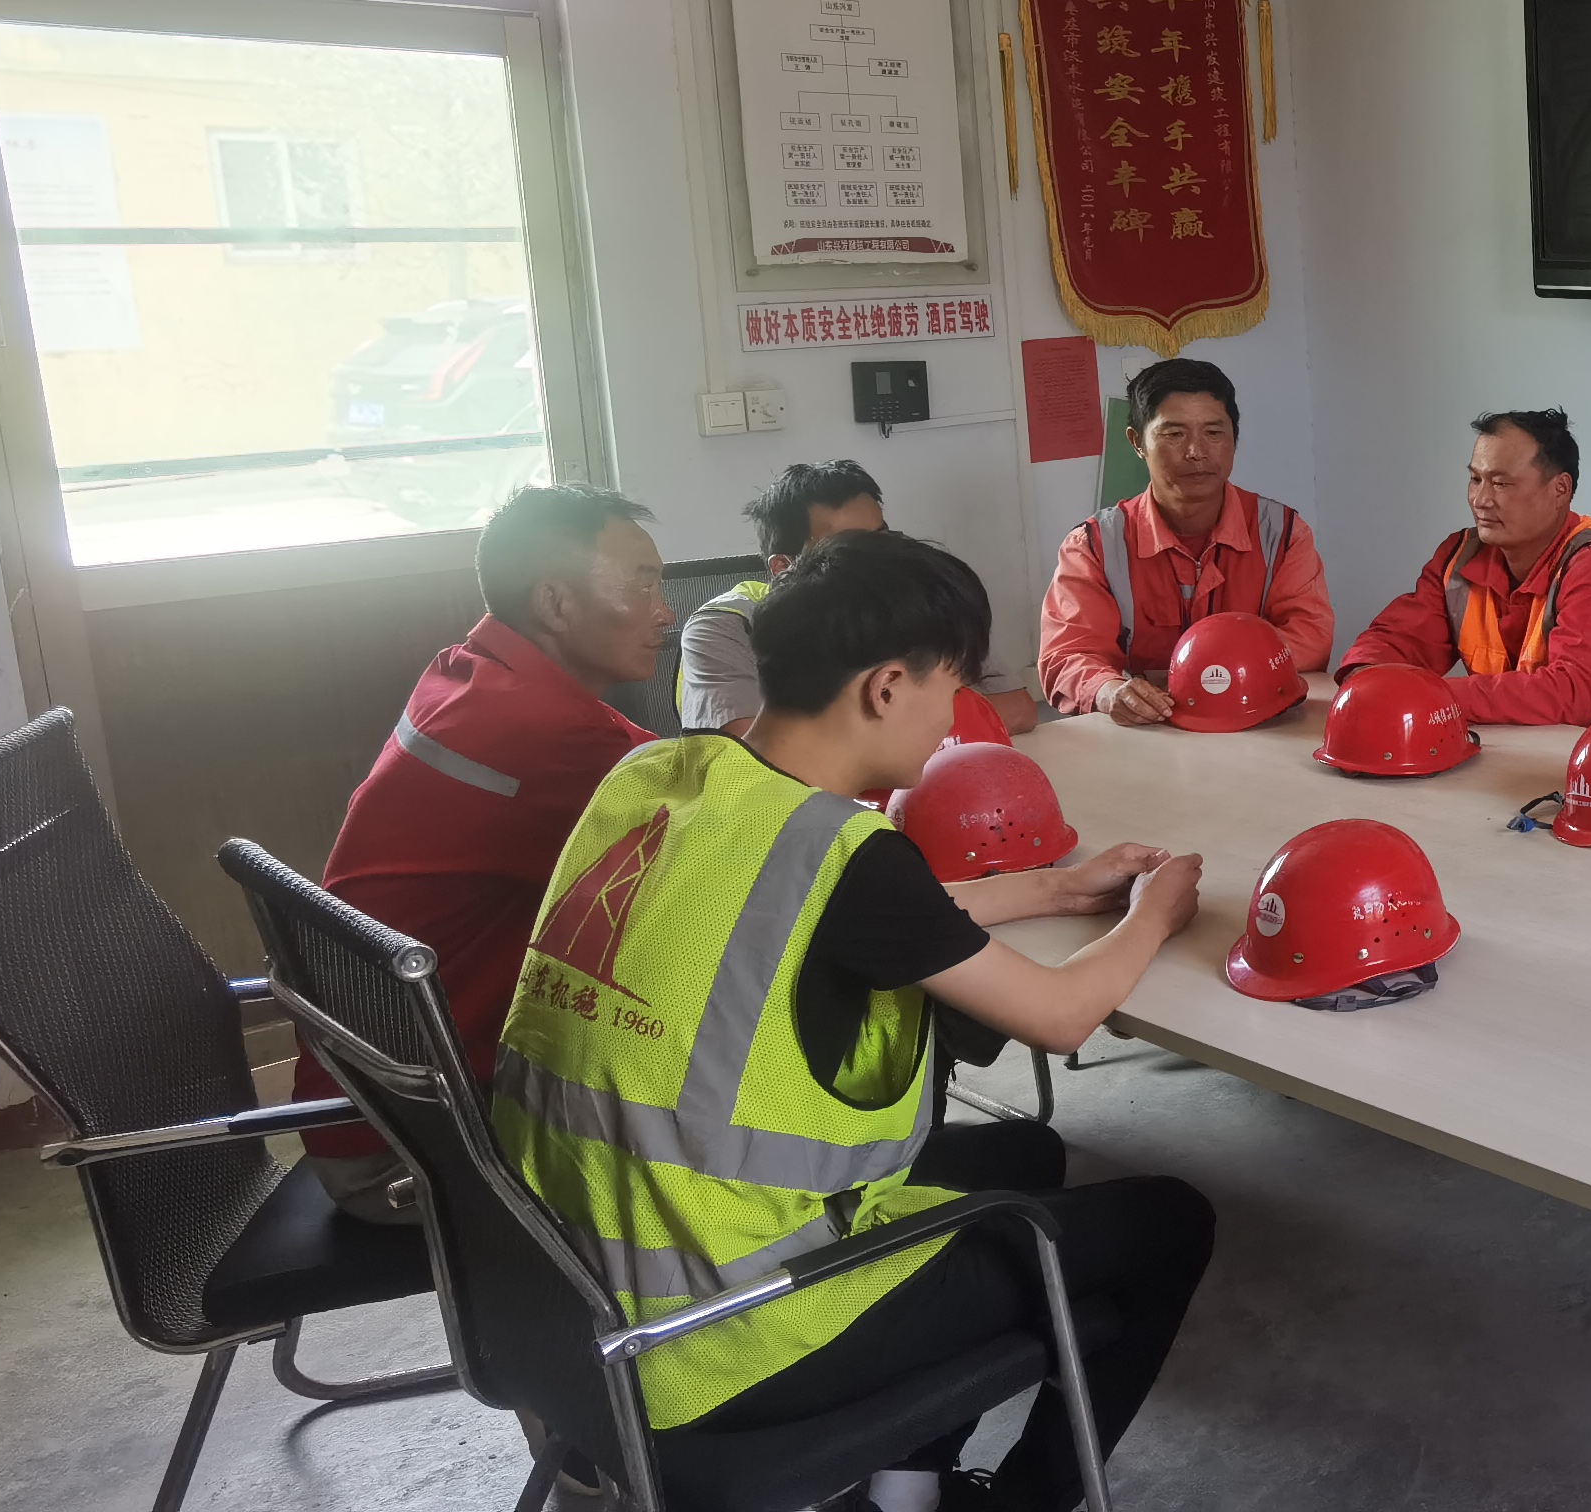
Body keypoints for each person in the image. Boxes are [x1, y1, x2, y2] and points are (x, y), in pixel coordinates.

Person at [490, 529, 1207, 1512]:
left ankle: (904, 1493)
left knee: (1028, 1156)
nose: (954, 716)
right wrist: (1154, 915)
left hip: (564, 1289)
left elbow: (822, 909)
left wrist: (1054, 887)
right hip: (720, 1334)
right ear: (886, 687)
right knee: (1174, 1219)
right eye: (951, 686)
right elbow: (1062, 1014)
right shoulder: (847, 851)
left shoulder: (657, 778)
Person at [291, 484, 672, 1222]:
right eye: (643, 584)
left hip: (378, 1096)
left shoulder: (469, 672)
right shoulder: (544, 734)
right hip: (419, 1148)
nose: (664, 611)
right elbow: (737, 844)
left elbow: (649, 759)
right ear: (555, 602)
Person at [1041, 359, 1335, 726]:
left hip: (1258, 719)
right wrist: (1109, 691)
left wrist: (1205, 677)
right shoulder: (1095, 546)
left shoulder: (1282, 533)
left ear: (1234, 438)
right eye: (1174, 434)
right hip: (1147, 727)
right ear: (1137, 442)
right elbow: (1067, 655)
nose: (1196, 451)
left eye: (1213, 432)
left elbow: (1310, 636)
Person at [1337, 408, 1591, 724]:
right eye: (1475, 479)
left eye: (1501, 483)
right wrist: (1367, 676)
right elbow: (1401, 638)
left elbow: (1571, 694)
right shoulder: (1461, 556)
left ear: (1560, 489)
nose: (1480, 500)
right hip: (1521, 745)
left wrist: (1428, 695)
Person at [686, 459, 1040, 738]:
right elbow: (749, 747)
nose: (881, 560)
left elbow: (1017, 708)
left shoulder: (920, 596)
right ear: (784, 567)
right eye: (851, 548)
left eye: (881, 538)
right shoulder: (725, 628)